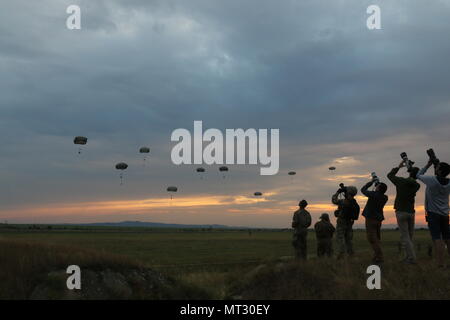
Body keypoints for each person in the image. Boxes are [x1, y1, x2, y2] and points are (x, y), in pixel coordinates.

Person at [416, 160, 450, 267]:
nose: (435, 168)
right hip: (445, 214)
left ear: (439, 171)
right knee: (447, 238)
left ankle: (440, 263)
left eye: (437, 167)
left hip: (433, 214)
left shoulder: (432, 180)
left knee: (437, 239)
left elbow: (418, 175)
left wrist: (428, 164)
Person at [387, 161, 421, 264]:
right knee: (409, 237)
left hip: (401, 211)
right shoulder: (417, 185)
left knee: (405, 237)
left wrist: (399, 166)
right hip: (411, 212)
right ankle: (408, 257)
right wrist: (411, 171)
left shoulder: (401, 181)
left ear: (409, 172)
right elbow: (412, 181)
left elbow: (390, 175)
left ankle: (411, 258)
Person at [361, 180, 388, 264]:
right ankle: (376, 257)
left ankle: (380, 257)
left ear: (379, 188)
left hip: (370, 219)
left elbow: (363, 190)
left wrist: (371, 182)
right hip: (378, 219)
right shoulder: (385, 197)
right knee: (377, 238)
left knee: (372, 239)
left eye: (377, 186)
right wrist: (377, 186)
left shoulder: (373, 195)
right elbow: (377, 193)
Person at [332, 186, 360, 259]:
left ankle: (341, 255)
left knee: (340, 238)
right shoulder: (354, 202)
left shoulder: (344, 201)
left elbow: (334, 200)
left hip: (342, 222)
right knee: (349, 240)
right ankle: (351, 255)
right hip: (350, 222)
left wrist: (338, 192)